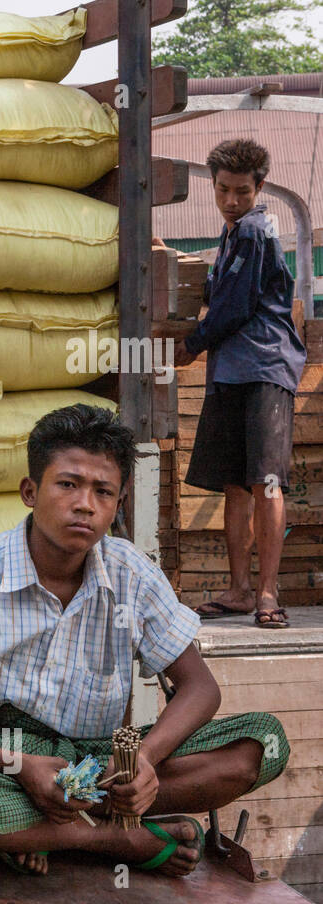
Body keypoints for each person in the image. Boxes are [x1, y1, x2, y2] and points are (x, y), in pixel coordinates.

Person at [0, 404, 288, 876]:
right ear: (30, 491)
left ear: (118, 504)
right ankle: (118, 840)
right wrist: (24, 768)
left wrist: (143, 761)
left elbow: (200, 688)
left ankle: (51, 831)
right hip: (4, 763)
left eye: (103, 491)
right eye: (68, 484)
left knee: (261, 743)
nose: (85, 504)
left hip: (103, 764)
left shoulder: (132, 574)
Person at [173, 139, 306, 629]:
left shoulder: (254, 229)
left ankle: (267, 594)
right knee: (236, 485)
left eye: (242, 191)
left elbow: (233, 308)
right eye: (224, 190)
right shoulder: (232, 235)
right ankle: (238, 591)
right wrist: (175, 261)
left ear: (260, 188)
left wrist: (191, 345)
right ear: (213, 186)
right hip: (230, 370)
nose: (231, 200)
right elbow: (220, 290)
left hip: (264, 367)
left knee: (265, 482)